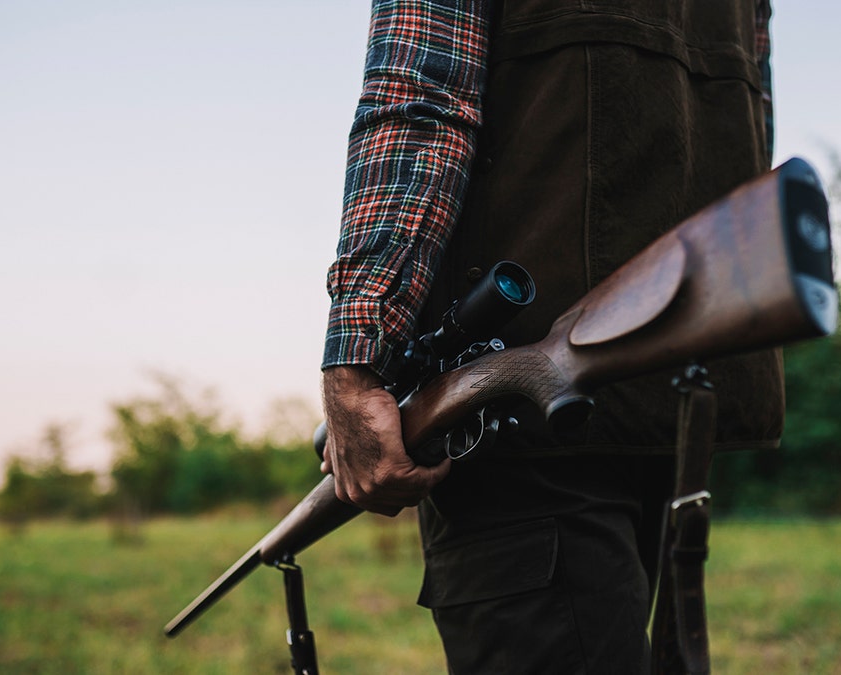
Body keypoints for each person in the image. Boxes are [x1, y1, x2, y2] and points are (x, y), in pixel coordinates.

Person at [320, 0, 780, 671]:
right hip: (670, 394)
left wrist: (355, 358)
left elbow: (420, 97)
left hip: (516, 414)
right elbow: (749, 126)